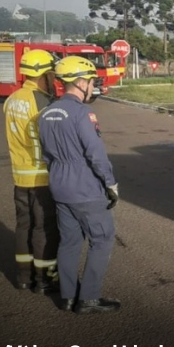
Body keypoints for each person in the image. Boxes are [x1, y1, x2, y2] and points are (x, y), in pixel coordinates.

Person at [38, 56, 121, 314]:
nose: (92, 86)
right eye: (91, 81)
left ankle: (68, 296)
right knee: (102, 238)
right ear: (81, 82)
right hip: (85, 188)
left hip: (59, 185)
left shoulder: (45, 112)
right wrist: (110, 183)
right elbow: (95, 154)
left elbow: (46, 154)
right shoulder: (84, 113)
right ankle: (89, 298)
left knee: (70, 242)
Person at [3, 49, 60, 294]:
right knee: (44, 228)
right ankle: (44, 279)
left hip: (19, 176)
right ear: (42, 75)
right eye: (51, 74)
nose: (54, 79)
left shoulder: (12, 99)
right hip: (41, 177)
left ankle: (23, 277)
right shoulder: (42, 102)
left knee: (23, 226)